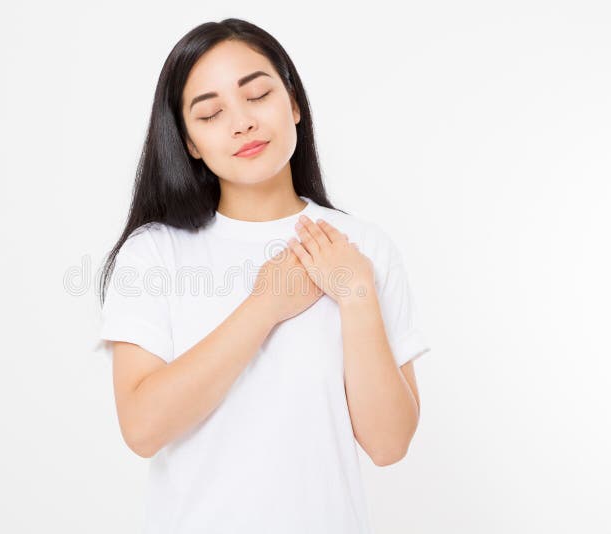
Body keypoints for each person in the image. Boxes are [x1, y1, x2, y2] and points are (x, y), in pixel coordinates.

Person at [94, 18, 431, 534]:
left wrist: (357, 297)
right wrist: (265, 306)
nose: (242, 122)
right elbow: (142, 428)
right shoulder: (155, 255)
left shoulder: (363, 248)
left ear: (293, 104)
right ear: (189, 142)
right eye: (210, 113)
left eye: (257, 95)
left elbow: (389, 445)